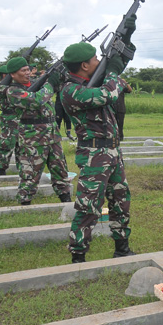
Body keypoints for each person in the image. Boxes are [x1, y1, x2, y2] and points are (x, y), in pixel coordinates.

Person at [60, 18, 136, 263]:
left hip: (112, 152)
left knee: (120, 201)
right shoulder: (71, 91)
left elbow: (117, 69)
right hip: (94, 155)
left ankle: (122, 247)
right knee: (88, 206)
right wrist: (112, 71)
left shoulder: (93, 81)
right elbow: (110, 93)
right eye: (95, 59)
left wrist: (127, 35)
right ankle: (78, 256)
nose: (98, 61)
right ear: (84, 65)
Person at [5, 57, 71, 205]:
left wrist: (59, 76)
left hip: (52, 135)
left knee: (60, 170)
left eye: (28, 69)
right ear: (13, 75)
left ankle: (65, 199)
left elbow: (56, 88)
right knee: (30, 174)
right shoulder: (13, 91)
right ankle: (25, 202)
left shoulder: (37, 84)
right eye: (23, 71)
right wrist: (50, 84)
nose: (27, 72)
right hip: (32, 139)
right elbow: (36, 100)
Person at [0, 64, 21, 176]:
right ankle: (2, 168)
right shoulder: (1, 87)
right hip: (9, 119)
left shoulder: (16, 86)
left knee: (21, 146)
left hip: (20, 118)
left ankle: (22, 169)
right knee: (6, 144)